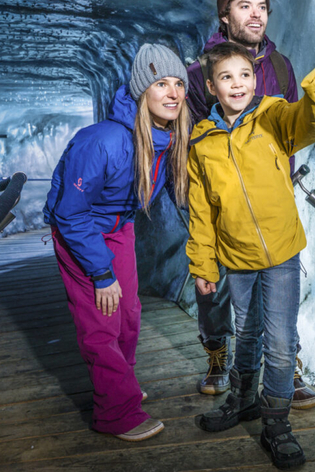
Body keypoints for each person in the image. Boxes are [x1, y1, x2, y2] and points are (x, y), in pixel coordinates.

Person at [187, 42, 315, 469]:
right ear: (211, 86)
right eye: (226, 77)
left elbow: (310, 121)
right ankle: (243, 401)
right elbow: (202, 211)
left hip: (280, 253)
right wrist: (204, 266)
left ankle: (277, 422)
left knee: (280, 343)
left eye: (244, 74)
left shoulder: (273, 115)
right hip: (237, 258)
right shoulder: (202, 142)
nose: (237, 84)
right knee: (244, 333)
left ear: (255, 78)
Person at [43, 43, 191, 441]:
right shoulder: (105, 140)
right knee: (101, 321)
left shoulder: (166, 138)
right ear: (143, 90)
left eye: (179, 83)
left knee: (128, 313)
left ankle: (119, 385)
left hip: (119, 226)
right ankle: (115, 413)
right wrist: (101, 272)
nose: (173, 93)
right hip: (80, 229)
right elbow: (70, 212)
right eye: (161, 83)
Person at [186, 0, 315, 410]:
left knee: (278, 292)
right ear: (225, 15)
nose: (255, 13)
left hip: (268, 199)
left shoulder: (280, 68)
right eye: (244, 5)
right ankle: (219, 355)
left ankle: (285, 367)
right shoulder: (197, 74)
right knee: (218, 290)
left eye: (261, 5)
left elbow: (292, 129)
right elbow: (189, 140)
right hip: (219, 200)